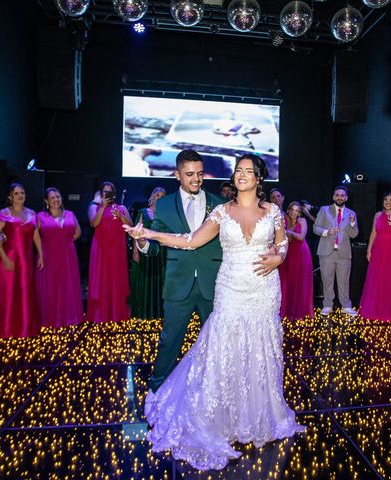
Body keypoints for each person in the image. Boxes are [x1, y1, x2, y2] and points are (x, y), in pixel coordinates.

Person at [126, 154, 305, 470]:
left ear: (259, 179)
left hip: (264, 292)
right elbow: (190, 240)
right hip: (231, 290)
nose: (242, 175)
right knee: (223, 351)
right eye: (239, 170)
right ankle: (220, 415)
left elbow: (282, 244)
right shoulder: (221, 212)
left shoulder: (273, 212)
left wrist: (279, 257)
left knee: (261, 350)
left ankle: (258, 415)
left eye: (249, 171)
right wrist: (149, 235)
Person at [135, 150, 224, 392]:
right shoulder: (163, 205)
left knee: (217, 343)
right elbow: (155, 247)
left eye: (200, 174)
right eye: (189, 174)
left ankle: (215, 390)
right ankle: (158, 390)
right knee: (169, 341)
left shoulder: (219, 204)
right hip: (177, 284)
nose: (196, 179)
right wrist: (142, 241)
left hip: (213, 284)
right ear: (177, 175)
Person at [0, 183, 43, 339]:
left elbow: (36, 235)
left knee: (25, 291)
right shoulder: (3, 213)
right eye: (16, 193)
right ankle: (6, 330)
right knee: (9, 293)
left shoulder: (32, 213)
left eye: (22, 192)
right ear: (10, 196)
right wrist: (4, 257)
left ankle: (24, 328)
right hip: (9, 257)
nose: (20, 196)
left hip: (27, 258)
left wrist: (41, 255)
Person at [35, 187, 84, 328]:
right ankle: (51, 320)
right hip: (48, 256)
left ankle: (68, 318)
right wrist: (42, 251)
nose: (56, 199)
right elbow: (35, 235)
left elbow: (78, 233)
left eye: (58, 197)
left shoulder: (70, 214)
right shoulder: (40, 216)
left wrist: (64, 242)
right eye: (52, 197)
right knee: (51, 287)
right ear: (46, 201)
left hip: (68, 256)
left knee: (67, 286)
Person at [87, 181, 133, 323]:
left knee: (116, 279)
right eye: (104, 192)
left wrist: (120, 216)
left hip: (117, 249)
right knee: (101, 278)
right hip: (101, 250)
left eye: (110, 192)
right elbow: (94, 223)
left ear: (114, 194)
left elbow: (130, 225)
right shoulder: (94, 207)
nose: (107, 195)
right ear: (101, 194)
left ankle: (116, 313)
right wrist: (103, 207)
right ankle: (100, 314)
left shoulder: (121, 208)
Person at [358, 192, 391, 322]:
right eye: (386, 199)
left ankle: (387, 312)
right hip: (378, 251)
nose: (388, 202)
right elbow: (373, 233)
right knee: (375, 280)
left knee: (390, 281)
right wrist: (368, 250)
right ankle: (374, 310)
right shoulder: (377, 215)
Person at [313, 185, 359, 316]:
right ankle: (328, 305)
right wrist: (327, 232)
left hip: (344, 253)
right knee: (327, 280)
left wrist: (352, 224)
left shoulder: (352, 213)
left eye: (342, 195)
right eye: (337, 195)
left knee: (344, 281)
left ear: (346, 198)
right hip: (327, 252)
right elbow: (316, 228)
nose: (340, 197)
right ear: (333, 197)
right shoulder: (324, 210)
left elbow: (354, 234)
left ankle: (346, 306)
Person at [129, 186, 166, 319]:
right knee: (144, 281)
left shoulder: (166, 215)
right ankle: (142, 313)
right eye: (157, 195)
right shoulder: (143, 212)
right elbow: (136, 233)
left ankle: (157, 313)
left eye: (162, 196)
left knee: (158, 282)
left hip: (160, 254)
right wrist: (135, 252)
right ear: (152, 197)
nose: (159, 198)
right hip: (144, 252)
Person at [279, 201, 314, 320]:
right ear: (288, 210)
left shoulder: (302, 221)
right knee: (288, 281)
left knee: (300, 282)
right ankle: (286, 311)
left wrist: (289, 231)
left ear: (299, 213)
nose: (294, 213)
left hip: (301, 253)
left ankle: (299, 312)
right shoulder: (283, 219)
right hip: (288, 253)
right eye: (292, 210)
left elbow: (301, 237)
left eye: (297, 211)